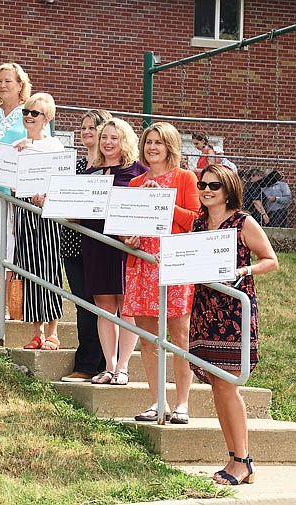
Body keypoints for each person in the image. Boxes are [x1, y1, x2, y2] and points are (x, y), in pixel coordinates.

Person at [189, 164, 278, 485]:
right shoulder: (198, 223)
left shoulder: (243, 222)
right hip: (204, 310)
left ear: (228, 189)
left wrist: (243, 271)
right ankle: (235, 458)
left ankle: (242, 460)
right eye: (202, 184)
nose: (207, 190)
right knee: (218, 386)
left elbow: (271, 260)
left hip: (233, 311)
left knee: (227, 385)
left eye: (214, 185)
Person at [123, 122, 200, 423]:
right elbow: (127, 227)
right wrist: (128, 239)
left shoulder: (185, 178)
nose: (152, 147)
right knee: (147, 339)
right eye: (148, 142)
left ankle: (182, 403)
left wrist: (164, 202)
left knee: (180, 338)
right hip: (142, 267)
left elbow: (196, 220)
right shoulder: (134, 183)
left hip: (174, 265)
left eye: (159, 142)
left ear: (170, 147)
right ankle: (158, 401)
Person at [82, 118, 147, 385]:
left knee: (126, 306)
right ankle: (108, 366)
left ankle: (123, 366)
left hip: (123, 245)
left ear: (125, 141)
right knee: (104, 307)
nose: (108, 143)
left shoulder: (136, 171)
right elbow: (78, 210)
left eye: (114, 138)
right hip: (95, 243)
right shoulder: (90, 173)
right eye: (104, 137)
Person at [9, 93, 65, 350]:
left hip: (47, 215)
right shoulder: (17, 145)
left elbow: (60, 182)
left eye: (35, 113)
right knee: (28, 269)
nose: (29, 117)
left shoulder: (55, 147)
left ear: (47, 118)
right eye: (26, 112)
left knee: (49, 269)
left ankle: (53, 331)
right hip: (23, 213)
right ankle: (36, 331)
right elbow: (10, 186)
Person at [0, 62, 33, 318]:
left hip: (20, 191)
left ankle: (20, 304)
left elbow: (39, 145)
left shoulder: (29, 114)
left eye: (8, 81)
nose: (2, 85)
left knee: (19, 248)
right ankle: (5, 306)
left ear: (20, 85)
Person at [60, 109, 111, 381]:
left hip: (101, 244)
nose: (88, 132)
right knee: (83, 302)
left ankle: (106, 363)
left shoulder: (112, 167)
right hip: (73, 242)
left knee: (102, 304)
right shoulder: (76, 166)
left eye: (93, 127)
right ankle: (87, 362)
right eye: (84, 128)